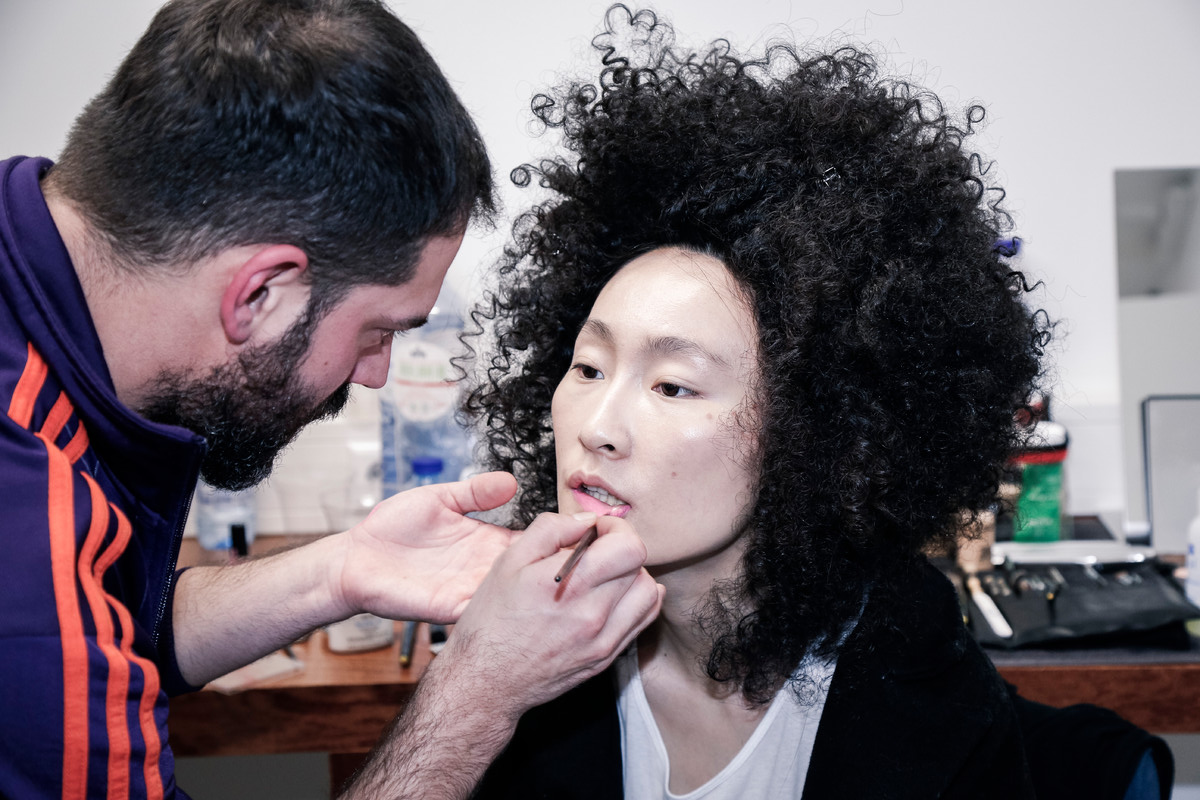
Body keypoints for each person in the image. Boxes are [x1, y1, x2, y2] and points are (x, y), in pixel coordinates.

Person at [0, 1, 661, 798]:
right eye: (379, 331)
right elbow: (54, 633)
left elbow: (109, 624)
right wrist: (479, 689)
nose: (377, 374)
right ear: (262, 293)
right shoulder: (28, 543)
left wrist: (343, 569)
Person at [463, 7, 1052, 798]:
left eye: (672, 386)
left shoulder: (931, 709)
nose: (597, 428)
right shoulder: (529, 661)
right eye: (590, 367)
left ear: (815, 433)